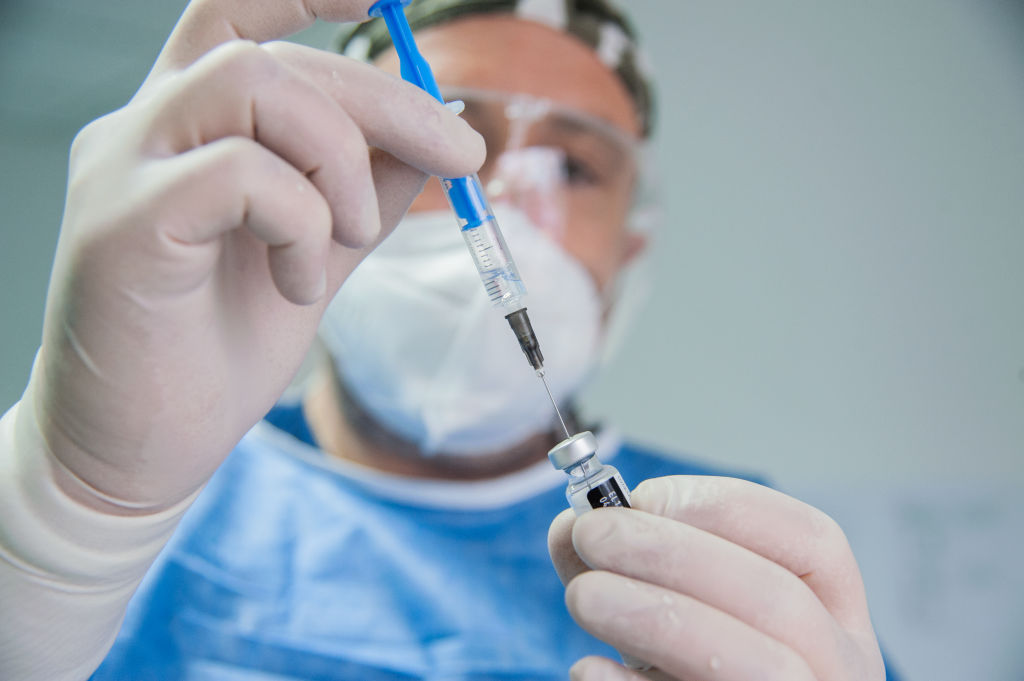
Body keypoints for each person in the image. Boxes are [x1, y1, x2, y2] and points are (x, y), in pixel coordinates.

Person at [0, 0, 897, 679]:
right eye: (447, 134)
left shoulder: (744, 559)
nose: (501, 197)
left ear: (630, 248)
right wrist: (62, 520)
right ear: (305, 167)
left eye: (573, 166)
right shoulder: (147, 508)